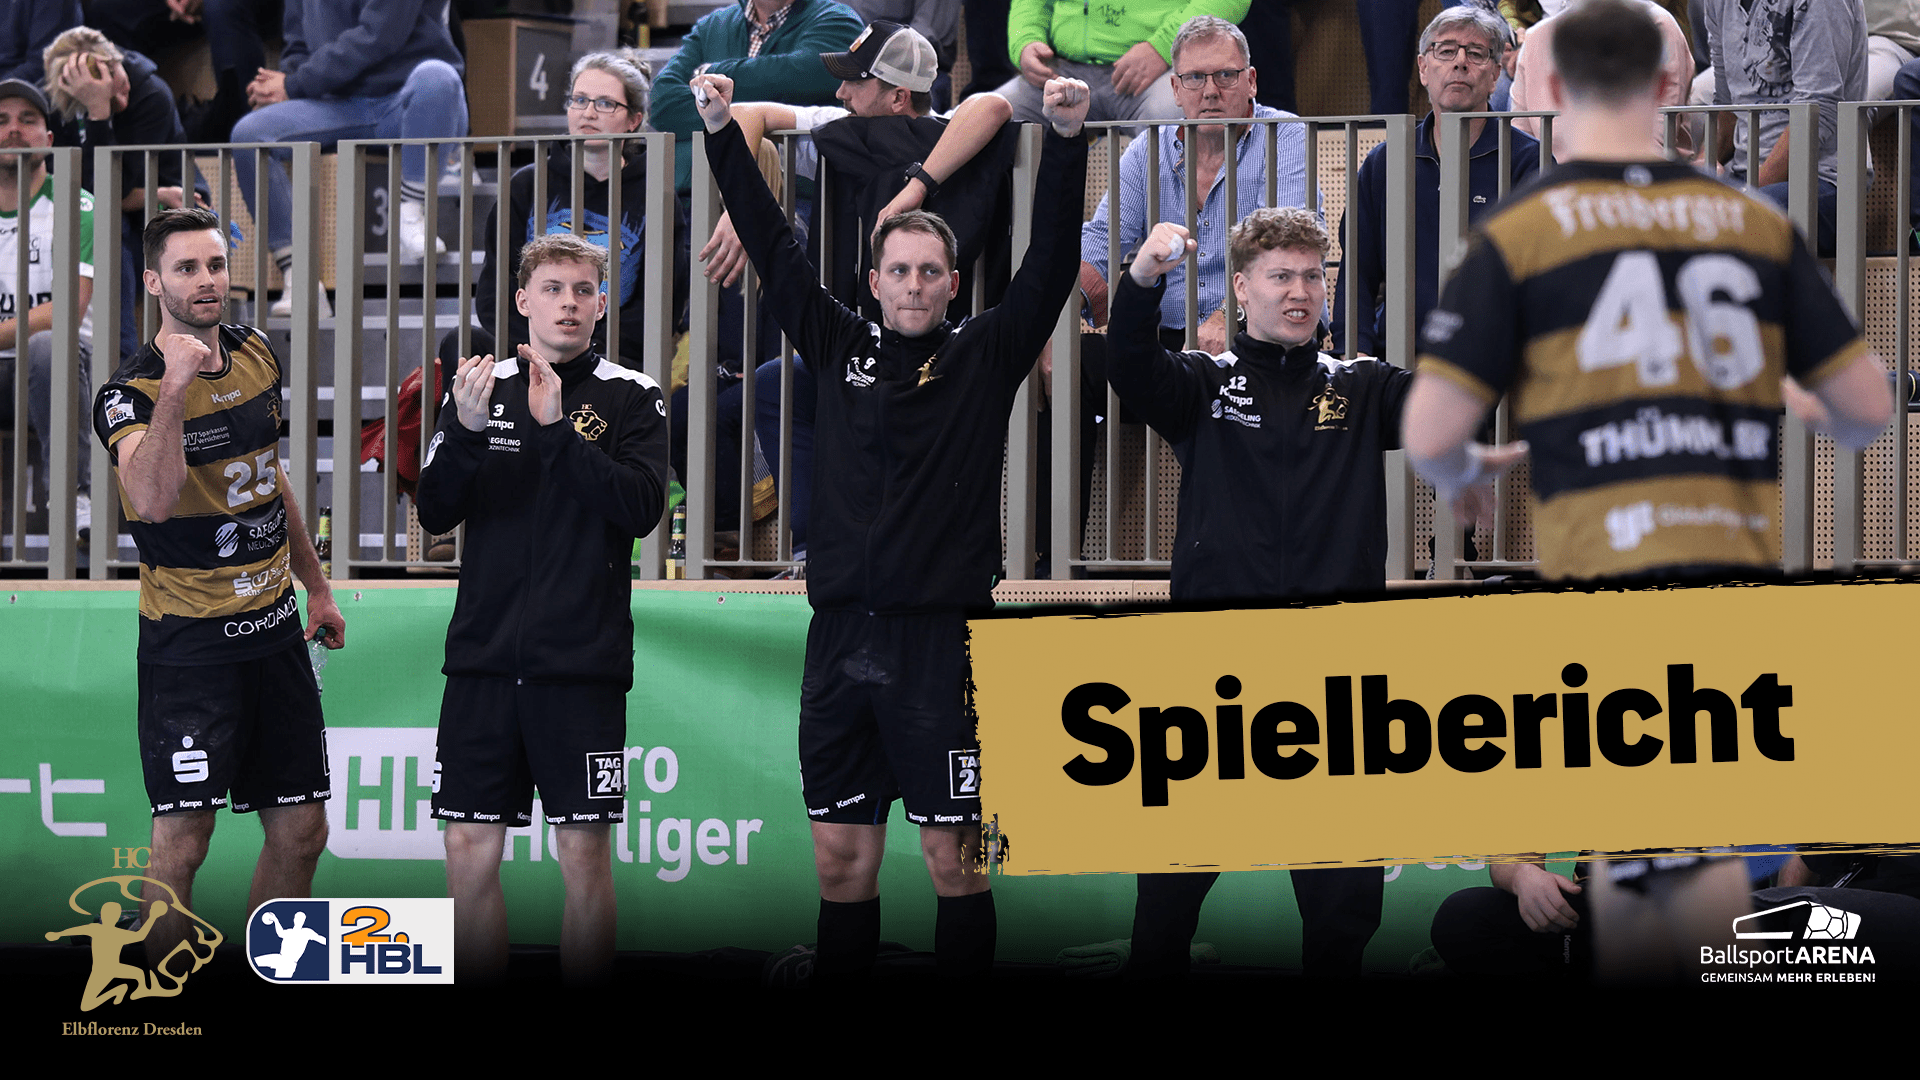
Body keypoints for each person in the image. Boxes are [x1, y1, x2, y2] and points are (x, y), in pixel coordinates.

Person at [1402, 0, 1892, 980]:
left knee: (1651, 889)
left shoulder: (1525, 227)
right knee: (1698, 888)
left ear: (1547, 91)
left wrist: (1464, 478)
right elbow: (1868, 410)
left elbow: (1429, 431)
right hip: (1730, 596)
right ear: (1673, 87)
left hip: (1611, 592)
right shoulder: (1750, 218)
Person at [688, 67, 1088, 983]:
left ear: (953, 283)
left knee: (957, 861)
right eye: (899, 271)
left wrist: (1066, 144)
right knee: (840, 862)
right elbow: (772, 244)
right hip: (840, 642)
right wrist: (718, 133)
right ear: (874, 282)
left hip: (942, 645)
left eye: (929, 272)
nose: (913, 285)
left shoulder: (985, 351)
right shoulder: (838, 343)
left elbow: (1051, 266)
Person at [1108, 207, 1427, 979]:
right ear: (1242, 289)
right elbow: (1128, 365)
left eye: (1312, 276)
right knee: (1169, 893)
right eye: (1280, 276)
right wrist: (1142, 281)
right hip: (1213, 677)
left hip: (1334, 679)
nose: (1299, 292)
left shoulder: (1363, 385)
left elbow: (1452, 402)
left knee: (1341, 904)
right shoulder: (1202, 382)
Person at [91, 206, 344, 966]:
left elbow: (269, 480)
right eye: (186, 268)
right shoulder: (128, 392)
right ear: (153, 282)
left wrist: (316, 586)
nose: (206, 281)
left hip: (275, 630)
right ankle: (162, 997)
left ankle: (274, 971)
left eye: (214, 265)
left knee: (303, 831)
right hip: (189, 644)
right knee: (184, 839)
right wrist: (175, 385)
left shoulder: (257, 350)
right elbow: (153, 498)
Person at [415, 233, 670, 985]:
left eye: (583, 290)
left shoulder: (634, 394)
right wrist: (464, 435)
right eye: (553, 289)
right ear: (523, 300)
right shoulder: (478, 385)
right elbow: (434, 512)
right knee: (468, 848)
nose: (569, 303)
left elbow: (641, 508)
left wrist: (557, 430)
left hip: (580, 666)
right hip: (484, 661)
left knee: (583, 855)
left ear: (603, 304)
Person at [699, 21, 1018, 562]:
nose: (841, 92)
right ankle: (811, 549)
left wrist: (914, 188)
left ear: (898, 97)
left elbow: (994, 105)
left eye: (856, 81)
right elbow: (747, 113)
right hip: (860, 341)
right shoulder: (840, 127)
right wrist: (738, 210)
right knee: (776, 383)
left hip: (949, 349)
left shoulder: (951, 132)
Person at [1080, 16, 1308, 356]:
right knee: (1076, 359)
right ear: (1175, 89)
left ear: (1251, 82)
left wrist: (1229, 316)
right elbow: (1102, 238)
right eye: (1195, 78)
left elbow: (1286, 243)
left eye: (1226, 75)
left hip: (1265, 330)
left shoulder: (1284, 134)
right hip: (1168, 341)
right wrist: (1056, 319)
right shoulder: (1147, 148)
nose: (1211, 91)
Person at [1331, 3, 1539, 359]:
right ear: (1423, 68)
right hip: (1397, 363)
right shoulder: (1384, 162)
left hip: (1496, 367)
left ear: (1494, 75)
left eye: (1476, 53)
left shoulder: (1527, 160)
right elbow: (1357, 276)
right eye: (1445, 50)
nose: (1460, 62)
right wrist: (1356, 359)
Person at [230, 0, 469, 309]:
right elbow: (298, 45)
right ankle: (298, 275)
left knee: (439, 78)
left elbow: (380, 35)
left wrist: (294, 84)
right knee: (249, 134)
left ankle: (411, 212)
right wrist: (280, 85)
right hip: (336, 104)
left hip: (406, 97)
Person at [43, 26, 204, 362]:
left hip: (169, 212)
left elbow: (109, 188)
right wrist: (99, 111)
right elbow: (84, 191)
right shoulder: (59, 106)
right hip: (114, 210)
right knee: (100, 226)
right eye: (95, 90)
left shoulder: (151, 95)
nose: (117, 87)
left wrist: (99, 113)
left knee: (107, 231)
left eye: (113, 72)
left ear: (118, 58)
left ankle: (120, 364)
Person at [1701, 0, 1867, 256]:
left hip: (1822, 180)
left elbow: (1819, 110)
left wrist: (1746, 195)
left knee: (1733, 223)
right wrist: (1700, 168)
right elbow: (1726, 106)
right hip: (1747, 177)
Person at [1, 78, 93, 539]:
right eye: (1, 120)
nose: (13, 129)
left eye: (28, 119)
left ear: (49, 139)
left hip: (63, 365)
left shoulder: (76, 203)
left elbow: (67, 311)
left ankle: (74, 496)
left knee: (45, 346)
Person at [652, 0, 866, 193]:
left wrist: (711, 73)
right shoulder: (711, 26)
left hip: (796, 199)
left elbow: (806, 74)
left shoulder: (837, 20)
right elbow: (661, 102)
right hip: (697, 196)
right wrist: (749, 115)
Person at [998, 0, 1247, 129]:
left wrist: (1163, 47)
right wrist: (1025, 40)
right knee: (991, 116)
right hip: (1059, 71)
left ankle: (1172, 216)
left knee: (1179, 117)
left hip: (1160, 71)